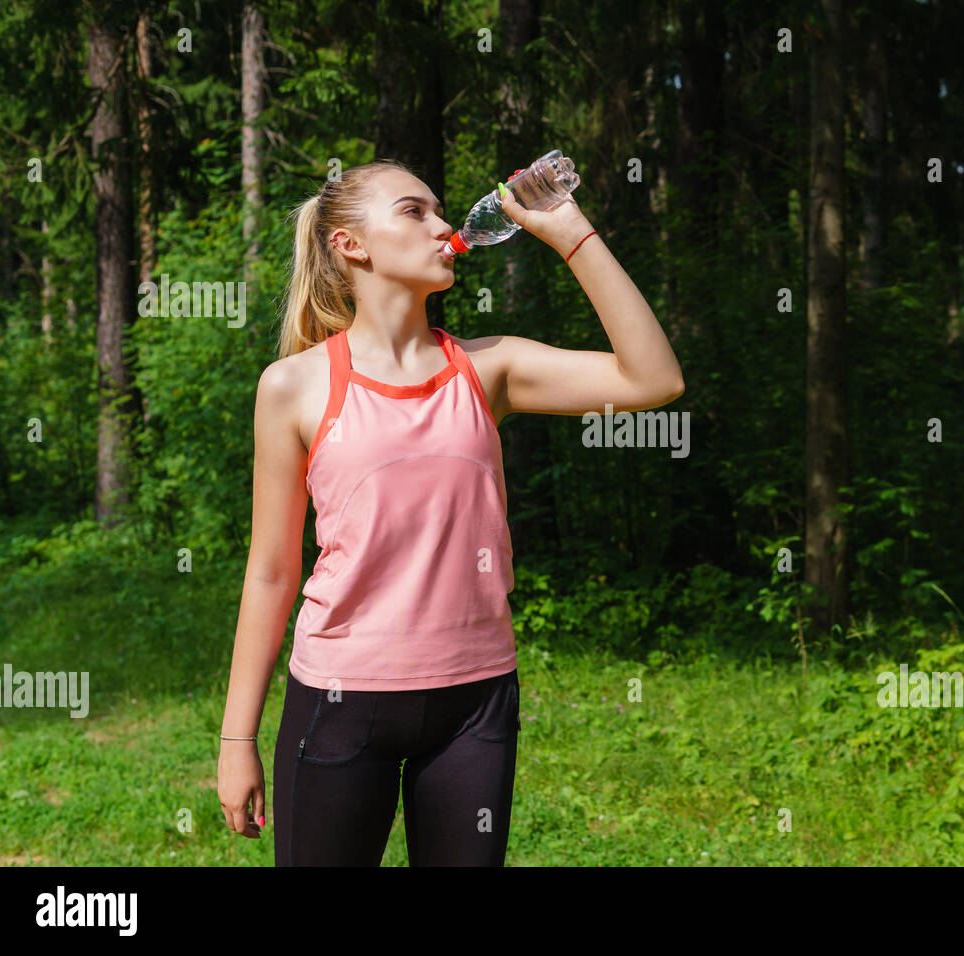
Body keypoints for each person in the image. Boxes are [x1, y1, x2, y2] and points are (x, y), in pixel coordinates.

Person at [215, 159, 683, 865]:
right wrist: (235, 739)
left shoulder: (487, 367)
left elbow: (653, 379)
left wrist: (568, 231)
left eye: (440, 211)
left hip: (475, 703)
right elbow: (272, 573)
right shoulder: (293, 387)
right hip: (340, 702)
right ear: (352, 245)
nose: (443, 225)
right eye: (415, 212)